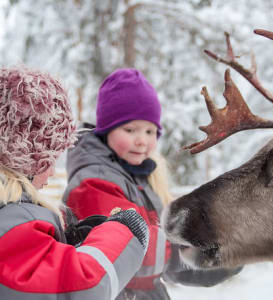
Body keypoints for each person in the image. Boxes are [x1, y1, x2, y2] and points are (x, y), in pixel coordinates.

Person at [62, 68, 242, 300]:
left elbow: (163, 269)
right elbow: (127, 252)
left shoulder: (138, 177)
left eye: (150, 131)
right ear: (106, 130)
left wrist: (226, 256)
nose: (142, 140)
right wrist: (190, 247)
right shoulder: (95, 182)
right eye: (130, 129)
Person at [0, 66, 151, 300]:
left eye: (150, 131)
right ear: (23, 158)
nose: (52, 172)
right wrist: (125, 232)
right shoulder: (11, 222)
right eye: (49, 159)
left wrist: (68, 243)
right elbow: (81, 286)